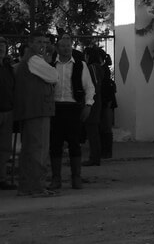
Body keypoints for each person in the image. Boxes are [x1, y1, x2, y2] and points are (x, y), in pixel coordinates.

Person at [13, 32, 59, 197]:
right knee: (37, 150)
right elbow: (54, 76)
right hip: (37, 110)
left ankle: (29, 186)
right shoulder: (34, 60)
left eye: (45, 42)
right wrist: (48, 61)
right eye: (39, 41)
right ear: (31, 43)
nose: (43, 45)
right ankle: (35, 186)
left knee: (31, 149)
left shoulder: (31, 60)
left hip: (34, 109)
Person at [48, 34, 95, 190]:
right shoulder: (50, 65)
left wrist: (88, 105)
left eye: (68, 46)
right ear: (57, 48)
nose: (66, 49)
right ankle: (56, 178)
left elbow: (90, 87)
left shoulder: (81, 65)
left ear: (72, 48)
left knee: (74, 143)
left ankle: (76, 177)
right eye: (62, 46)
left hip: (73, 108)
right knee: (55, 144)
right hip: (55, 109)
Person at [82, 47, 105, 166]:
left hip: (93, 100)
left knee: (92, 130)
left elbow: (94, 85)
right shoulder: (98, 67)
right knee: (93, 129)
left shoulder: (92, 68)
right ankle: (95, 156)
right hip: (96, 100)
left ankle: (94, 157)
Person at [0, 36, 16, 190]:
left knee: (4, 148)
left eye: (3, 47)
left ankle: (2, 178)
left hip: (8, 111)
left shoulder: (8, 68)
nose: (1, 50)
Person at [99, 53, 117, 159]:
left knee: (105, 127)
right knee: (107, 127)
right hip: (108, 101)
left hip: (106, 102)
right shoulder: (105, 69)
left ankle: (106, 151)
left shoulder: (103, 70)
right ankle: (107, 151)